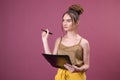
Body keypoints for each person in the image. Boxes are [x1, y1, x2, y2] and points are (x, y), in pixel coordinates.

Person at [42, 4, 90, 80]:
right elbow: (52, 61)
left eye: (68, 21)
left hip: (77, 77)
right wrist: (44, 40)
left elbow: (86, 65)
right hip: (60, 77)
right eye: (63, 20)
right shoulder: (59, 40)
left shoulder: (84, 42)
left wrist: (77, 69)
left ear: (77, 22)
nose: (64, 23)